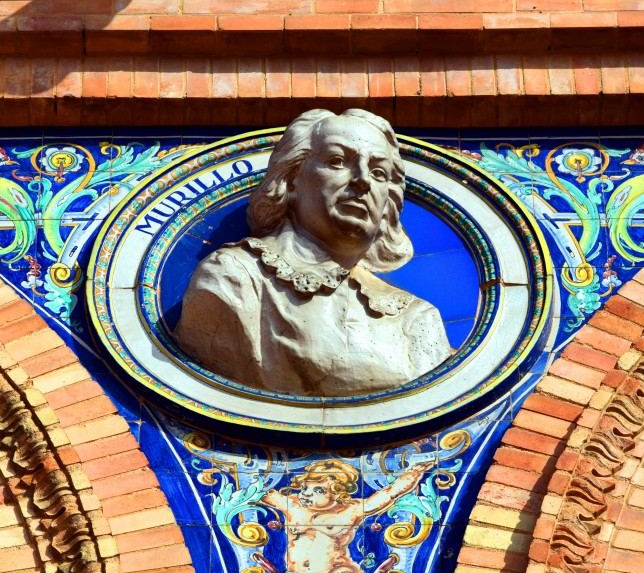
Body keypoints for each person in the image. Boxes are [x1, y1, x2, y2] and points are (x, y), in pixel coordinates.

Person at [174, 109, 451, 396]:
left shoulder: (417, 317)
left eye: (378, 173)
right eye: (337, 161)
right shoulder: (234, 279)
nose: (363, 180)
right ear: (291, 179)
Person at [257, 458, 432, 573]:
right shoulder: (292, 505)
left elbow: (389, 494)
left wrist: (414, 473)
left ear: (337, 493)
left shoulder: (350, 511)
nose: (307, 494)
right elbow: (259, 491)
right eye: (305, 488)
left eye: (318, 490)